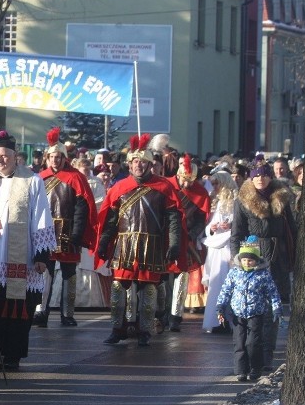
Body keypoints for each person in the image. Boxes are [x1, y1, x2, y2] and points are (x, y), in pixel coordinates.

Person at [0, 130, 56, 370]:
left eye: (5, 156)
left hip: (22, 257)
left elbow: (41, 218)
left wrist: (41, 255)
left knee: (18, 309)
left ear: (15, 156)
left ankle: (12, 355)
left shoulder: (32, 181)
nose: (0, 160)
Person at [95, 133, 184, 347]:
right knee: (118, 289)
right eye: (135, 162)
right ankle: (118, 329)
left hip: (151, 246)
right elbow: (110, 220)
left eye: (143, 162)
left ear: (149, 164)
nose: (139, 166)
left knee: (148, 291)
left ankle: (145, 331)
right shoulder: (119, 188)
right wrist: (103, 243)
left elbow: (174, 219)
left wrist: (174, 244)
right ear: (130, 164)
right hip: (124, 246)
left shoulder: (164, 188)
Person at [230, 156, 296, 373]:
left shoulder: (282, 198)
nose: (261, 179)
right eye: (257, 175)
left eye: (265, 174)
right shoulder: (242, 201)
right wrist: (237, 260)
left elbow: (291, 230)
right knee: (253, 311)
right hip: (252, 258)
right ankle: (251, 357)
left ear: (270, 176)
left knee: (272, 309)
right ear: (251, 178)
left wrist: (293, 257)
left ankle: (267, 355)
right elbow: (237, 233)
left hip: (277, 258)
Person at [33, 128, 97, 327]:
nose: (55, 160)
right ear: (47, 158)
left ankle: (67, 314)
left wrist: (78, 232)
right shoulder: (39, 178)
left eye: (59, 157)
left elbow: (82, 207)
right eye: (52, 157)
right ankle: (40, 312)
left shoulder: (76, 178)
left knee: (69, 274)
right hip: (46, 232)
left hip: (69, 232)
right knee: (44, 272)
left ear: (64, 158)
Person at [215, 237, 282, 382]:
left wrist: (277, 309)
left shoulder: (263, 274)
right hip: (237, 315)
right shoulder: (234, 273)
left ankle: (255, 368)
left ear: (256, 260)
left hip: (255, 313)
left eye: (250, 260)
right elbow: (225, 291)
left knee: (252, 343)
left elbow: (272, 293)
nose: (247, 263)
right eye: (244, 260)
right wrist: (220, 307)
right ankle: (241, 371)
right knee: (239, 343)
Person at [166, 154, 211, 332]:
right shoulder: (167, 185)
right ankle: (161, 312)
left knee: (181, 278)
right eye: (184, 180)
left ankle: (176, 316)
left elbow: (201, 219)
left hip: (187, 241)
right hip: (166, 239)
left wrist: (192, 234)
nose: (186, 185)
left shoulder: (200, 192)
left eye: (190, 181)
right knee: (163, 278)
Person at [201, 168, 238, 333]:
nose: (214, 187)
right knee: (217, 284)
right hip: (216, 248)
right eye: (213, 184)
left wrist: (231, 226)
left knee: (228, 283)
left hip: (229, 247)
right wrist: (212, 228)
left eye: (217, 184)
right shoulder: (216, 201)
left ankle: (229, 320)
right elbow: (210, 225)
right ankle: (216, 321)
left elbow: (241, 223)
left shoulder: (237, 201)